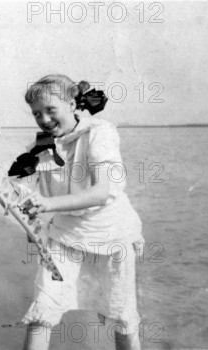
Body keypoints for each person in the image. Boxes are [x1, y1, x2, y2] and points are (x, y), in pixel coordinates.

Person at [14, 75, 144, 350]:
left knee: (120, 313)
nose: (44, 119)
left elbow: (101, 192)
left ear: (71, 103)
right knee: (44, 307)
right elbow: (23, 189)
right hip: (65, 234)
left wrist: (48, 205)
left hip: (112, 235)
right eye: (37, 113)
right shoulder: (42, 146)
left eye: (51, 110)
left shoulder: (99, 132)